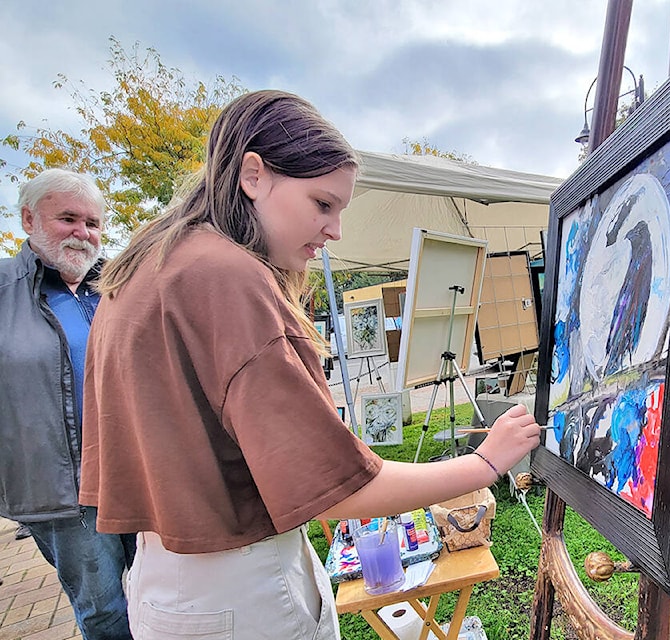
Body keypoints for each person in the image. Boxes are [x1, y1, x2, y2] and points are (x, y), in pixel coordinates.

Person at [79, 90, 542, 640]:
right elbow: (343, 491)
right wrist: (486, 464)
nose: (334, 231)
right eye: (323, 204)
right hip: (239, 587)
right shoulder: (227, 275)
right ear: (253, 175)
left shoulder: (145, 264)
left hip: (165, 580)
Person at [0, 168, 136, 640]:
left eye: (93, 223)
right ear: (28, 218)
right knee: (103, 610)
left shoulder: (119, 284)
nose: (83, 233)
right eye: (68, 219)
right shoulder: (3, 292)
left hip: (137, 473)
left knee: (159, 589)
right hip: (63, 489)